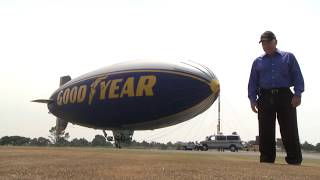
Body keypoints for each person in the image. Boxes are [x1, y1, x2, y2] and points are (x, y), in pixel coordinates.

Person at [248, 31, 304, 165]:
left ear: (275, 42)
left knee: (289, 128)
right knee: (265, 130)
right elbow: (252, 82)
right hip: (265, 96)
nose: (266, 45)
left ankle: (294, 159)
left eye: (268, 42)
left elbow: (297, 76)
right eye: (263, 43)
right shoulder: (257, 62)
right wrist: (252, 99)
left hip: (285, 96)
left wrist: (298, 94)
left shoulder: (288, 57)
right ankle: (267, 160)